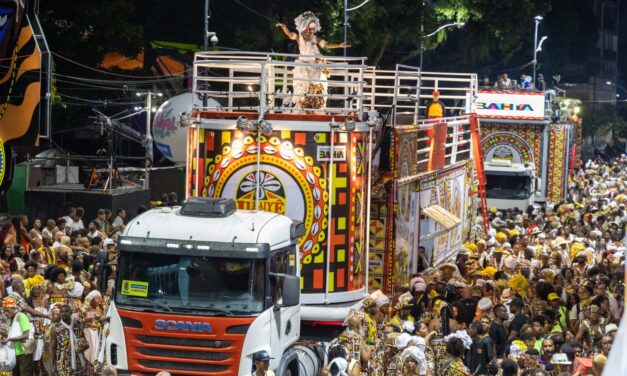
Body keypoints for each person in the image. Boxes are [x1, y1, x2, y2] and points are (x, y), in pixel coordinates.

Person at [276, 11, 349, 111]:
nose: (312, 30)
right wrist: (284, 26)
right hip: (304, 65)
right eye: (311, 28)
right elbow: (289, 34)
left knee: (317, 86)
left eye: (313, 28)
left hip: (315, 64)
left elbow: (326, 45)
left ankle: (314, 106)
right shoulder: (299, 37)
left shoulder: (315, 38)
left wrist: (339, 45)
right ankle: (303, 106)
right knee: (303, 87)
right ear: (306, 27)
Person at [1, 297, 33, 375]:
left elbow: (26, 335)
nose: (5, 313)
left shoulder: (21, 316)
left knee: (24, 373)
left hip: (24, 352)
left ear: (13, 308)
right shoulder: (12, 319)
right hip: (16, 352)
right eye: (4, 311)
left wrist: (9, 339)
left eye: (7, 311)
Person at [50, 304, 84, 375]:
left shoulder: (77, 324)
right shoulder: (55, 328)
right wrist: (52, 367)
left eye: (66, 311)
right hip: (63, 364)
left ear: (71, 312)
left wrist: (84, 359)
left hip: (78, 362)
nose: (64, 313)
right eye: (62, 312)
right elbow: (52, 348)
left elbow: (84, 342)